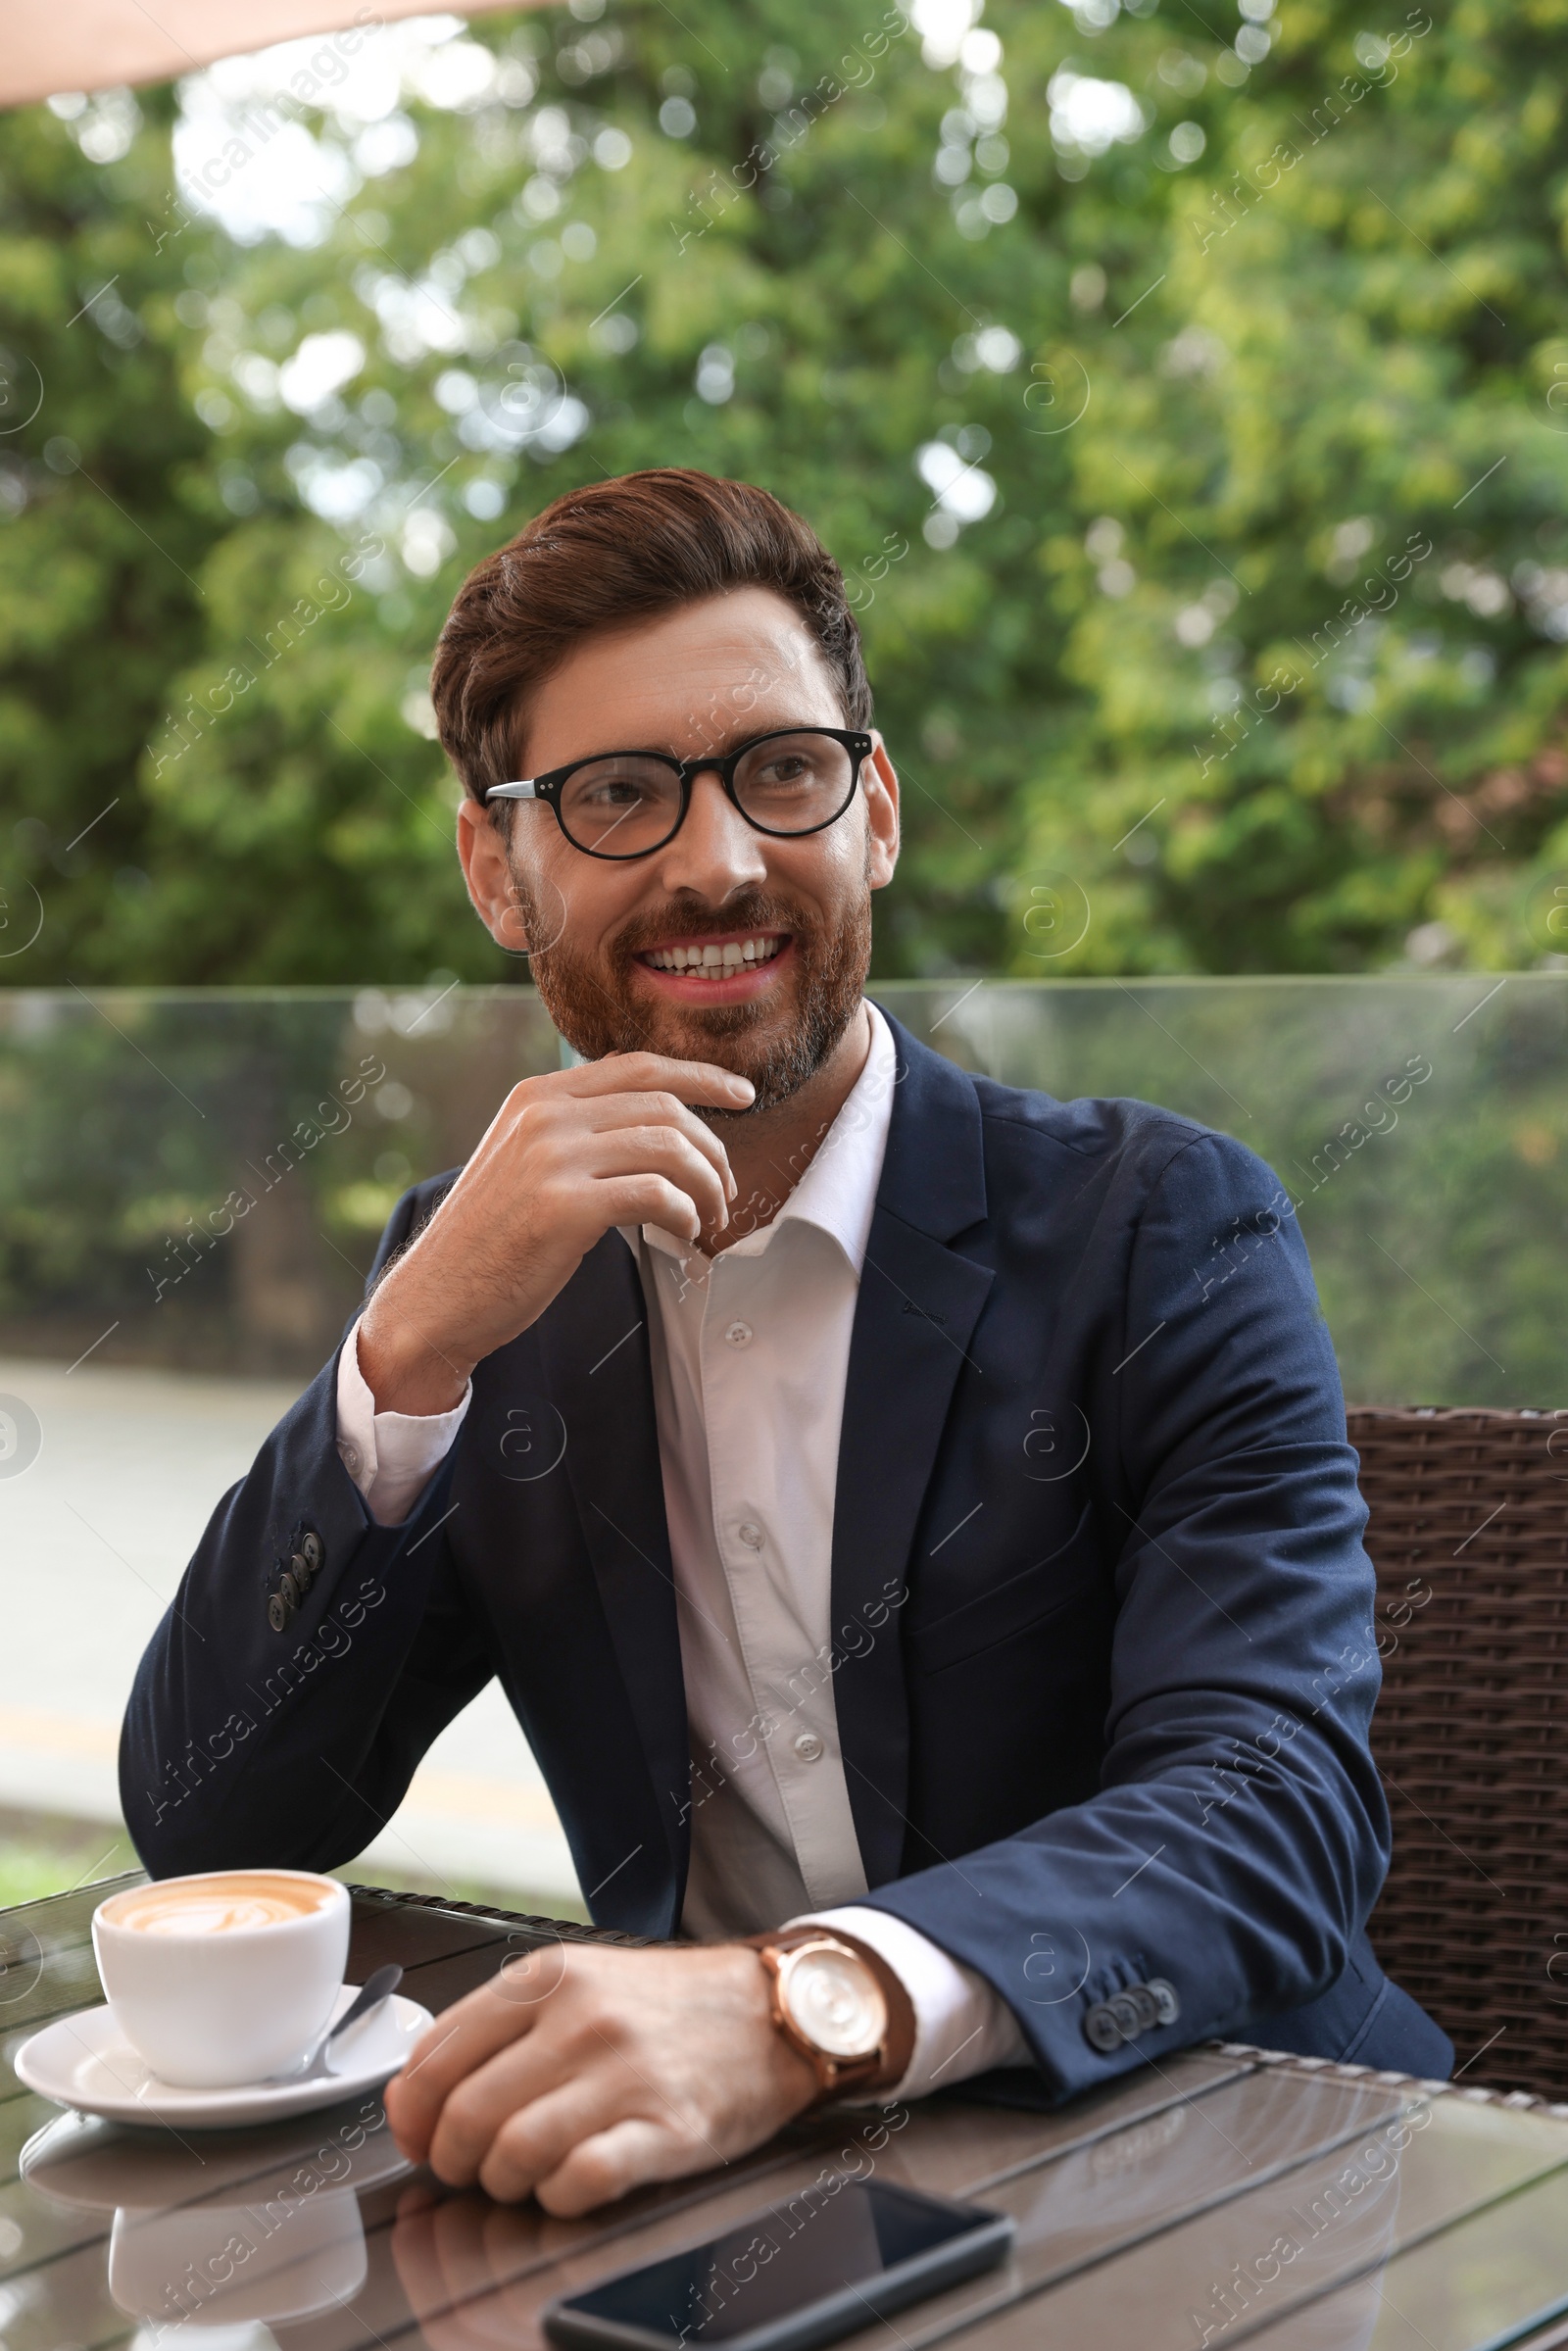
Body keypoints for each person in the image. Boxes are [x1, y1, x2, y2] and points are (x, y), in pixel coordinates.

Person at [121, 466, 1449, 2218]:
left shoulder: (1166, 1230)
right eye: (613, 799)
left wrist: (796, 2006)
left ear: (875, 809)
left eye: (782, 771)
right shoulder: (488, 1279)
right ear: (496, 872)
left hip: (1220, 2176)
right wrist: (407, 1347)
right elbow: (215, 1823)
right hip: (743, 2215)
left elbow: (1272, 1815)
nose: (720, 861)